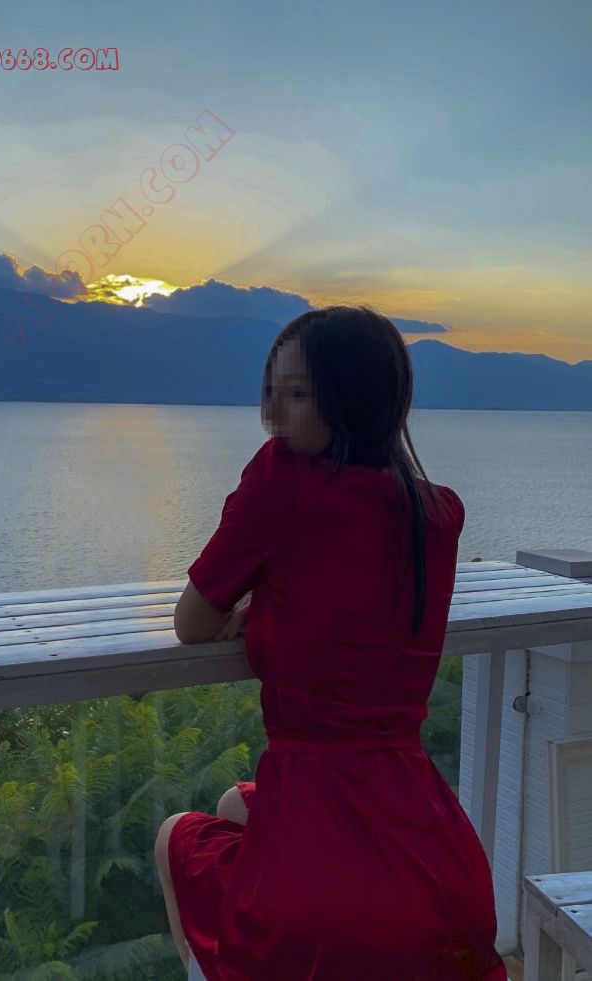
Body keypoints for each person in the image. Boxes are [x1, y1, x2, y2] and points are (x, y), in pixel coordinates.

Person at [155, 305, 508, 980]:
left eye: (297, 394)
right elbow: (349, 596)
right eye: (270, 391)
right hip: (433, 854)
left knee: (177, 835)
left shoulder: (283, 480)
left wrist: (250, 607)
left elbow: (192, 621)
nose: (273, 415)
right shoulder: (436, 514)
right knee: (235, 805)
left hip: (318, 882)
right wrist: (276, 604)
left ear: (351, 399)